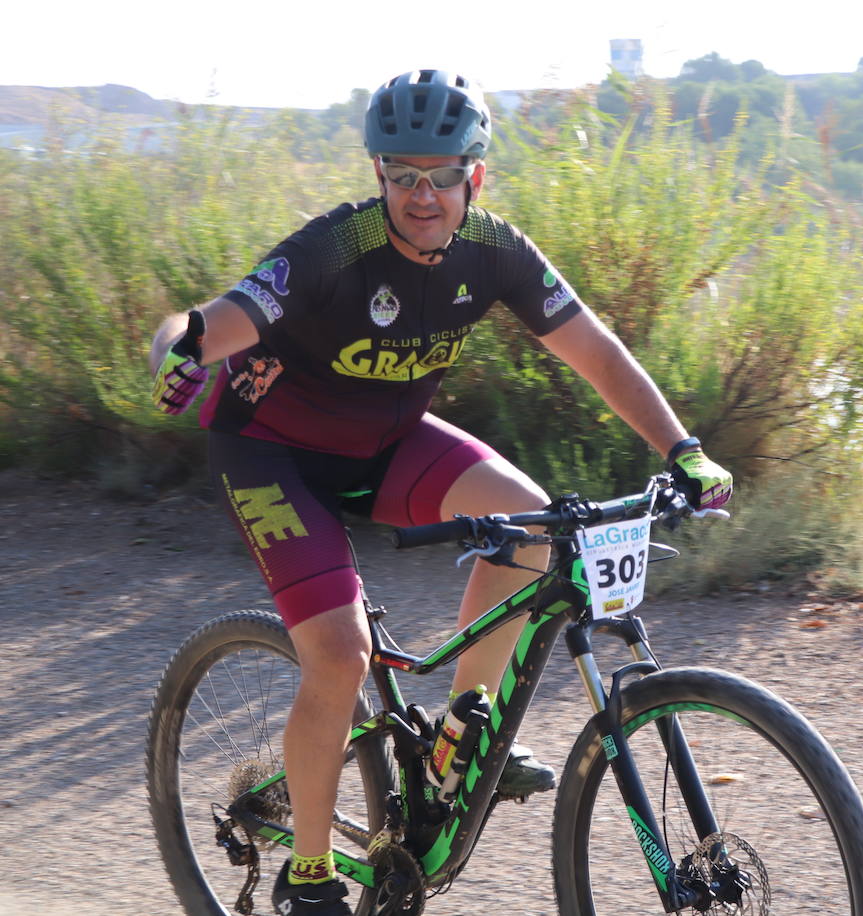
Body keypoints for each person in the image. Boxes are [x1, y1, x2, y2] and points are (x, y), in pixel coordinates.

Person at [148, 69, 732, 916]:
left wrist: (683, 448)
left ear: (475, 176)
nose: (423, 195)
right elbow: (220, 315)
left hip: (385, 447)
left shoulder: (496, 250)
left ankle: (459, 732)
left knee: (533, 527)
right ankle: (309, 874)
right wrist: (183, 347)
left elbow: (597, 352)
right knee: (341, 657)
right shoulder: (334, 249)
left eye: (443, 176)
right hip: (272, 457)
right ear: (378, 175)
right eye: (403, 177)